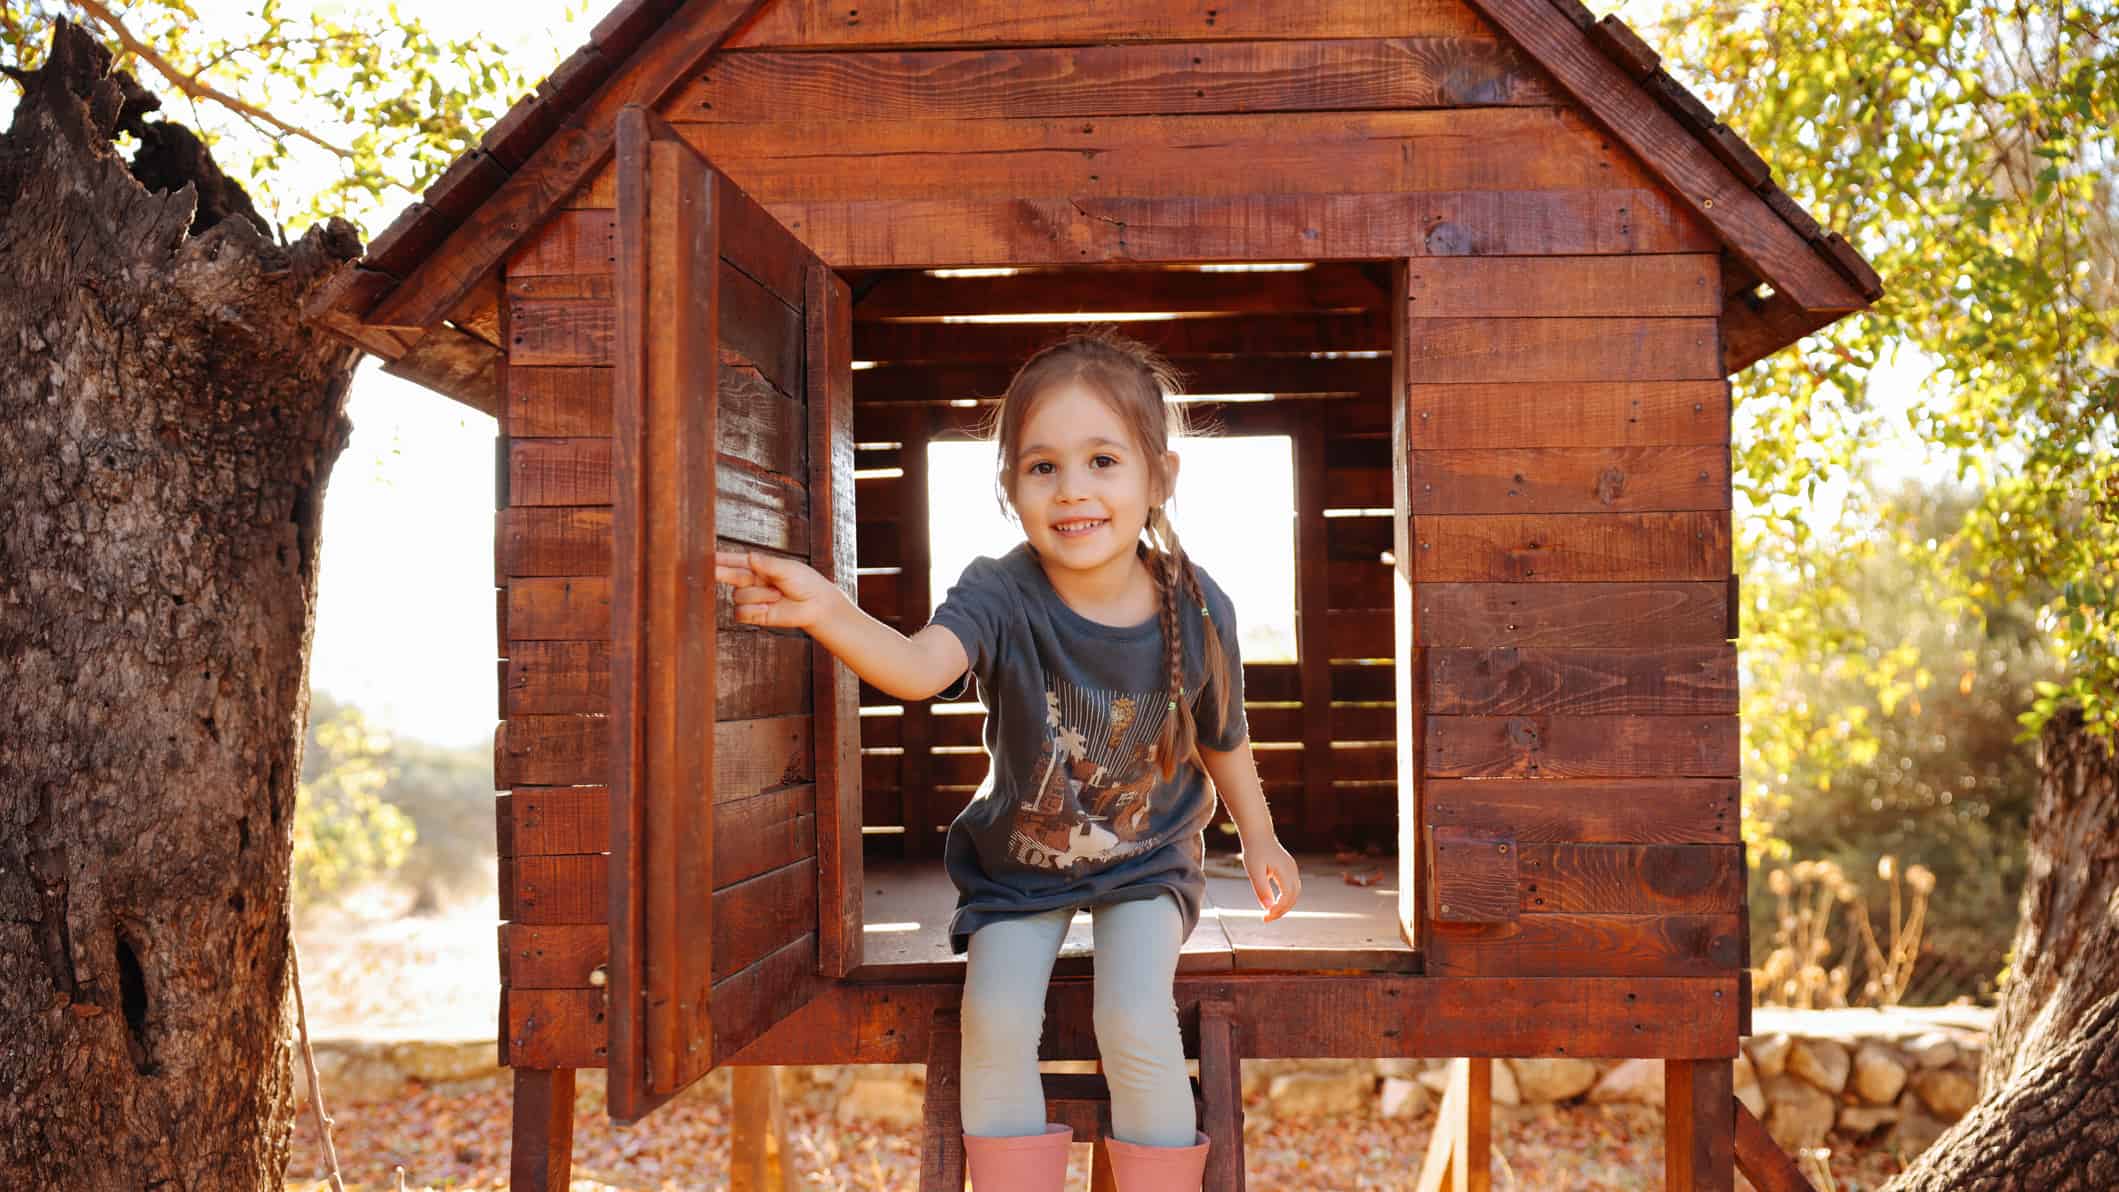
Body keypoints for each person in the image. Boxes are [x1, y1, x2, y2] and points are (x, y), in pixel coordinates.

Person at [715, 326, 1302, 1191]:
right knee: (992, 1017)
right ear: (1009, 488)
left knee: (1133, 1015)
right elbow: (918, 668)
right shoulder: (999, 589)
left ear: (1158, 476)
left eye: (1103, 460)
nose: (1073, 489)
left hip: (1147, 864)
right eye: (1042, 467)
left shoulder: (1195, 603)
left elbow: (1222, 736)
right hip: (1019, 868)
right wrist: (828, 611)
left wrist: (1261, 837)